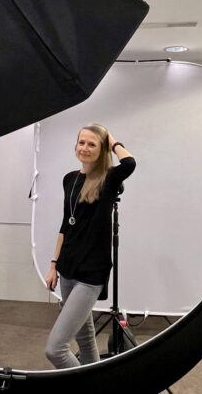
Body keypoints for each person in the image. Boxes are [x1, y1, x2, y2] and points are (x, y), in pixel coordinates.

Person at [44, 124, 135, 369]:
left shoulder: (109, 179)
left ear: (102, 149)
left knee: (55, 350)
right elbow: (66, 224)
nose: (84, 148)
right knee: (85, 339)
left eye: (92, 144)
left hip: (91, 273)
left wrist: (111, 141)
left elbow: (130, 164)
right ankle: (96, 382)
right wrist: (53, 264)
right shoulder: (69, 179)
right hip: (67, 268)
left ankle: (84, 384)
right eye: (81, 142)